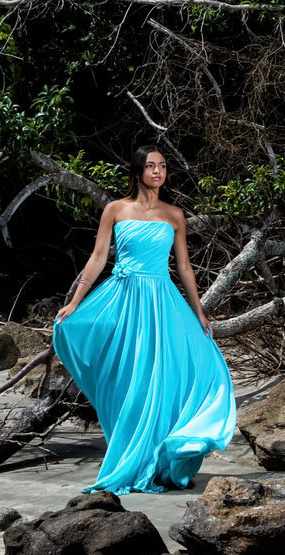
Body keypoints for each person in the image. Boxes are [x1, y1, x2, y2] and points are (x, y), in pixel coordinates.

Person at [52, 145, 236, 495]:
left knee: (167, 378)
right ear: (137, 170)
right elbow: (98, 257)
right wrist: (75, 302)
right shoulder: (116, 209)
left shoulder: (174, 214)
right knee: (131, 381)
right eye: (150, 166)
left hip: (162, 303)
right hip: (124, 301)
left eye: (162, 166)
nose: (157, 172)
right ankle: (131, 458)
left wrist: (199, 312)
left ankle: (161, 460)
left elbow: (184, 267)